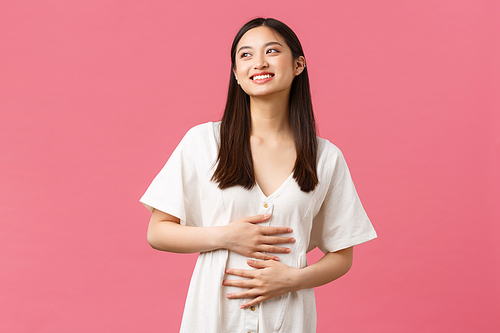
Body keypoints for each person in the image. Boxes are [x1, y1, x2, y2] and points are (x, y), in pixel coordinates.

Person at [140, 17, 377, 333]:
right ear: (236, 74)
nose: (259, 63)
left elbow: (342, 254)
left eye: (272, 51)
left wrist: (294, 279)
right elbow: (158, 232)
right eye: (246, 55)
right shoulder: (204, 142)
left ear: (298, 65)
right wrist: (225, 236)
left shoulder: (325, 158)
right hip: (214, 318)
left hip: (289, 318)